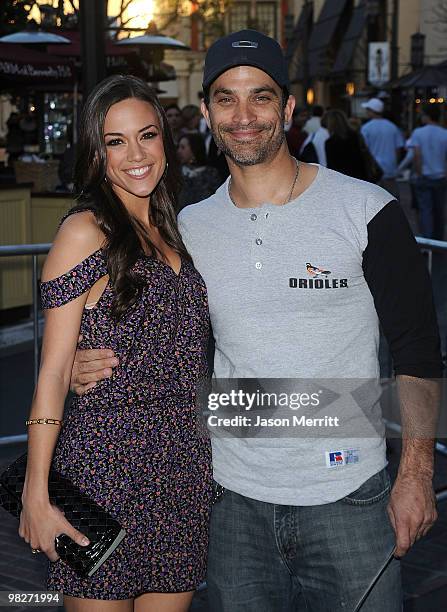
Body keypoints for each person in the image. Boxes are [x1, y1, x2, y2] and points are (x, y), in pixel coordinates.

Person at [70, 32, 442, 612]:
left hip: (349, 498)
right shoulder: (185, 230)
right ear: (206, 113)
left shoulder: (367, 210)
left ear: (288, 108)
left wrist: (416, 471)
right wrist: (82, 361)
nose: (244, 116)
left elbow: (418, 353)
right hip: (229, 502)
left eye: (260, 97)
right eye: (226, 99)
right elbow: (152, 337)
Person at [20, 75, 212, 612]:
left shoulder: (174, 229)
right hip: (101, 473)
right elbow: (54, 373)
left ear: (165, 142)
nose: (135, 154)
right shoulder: (86, 230)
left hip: (181, 474)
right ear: (96, 151)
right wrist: (37, 493)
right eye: (115, 140)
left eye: (147, 135)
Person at [410, 103, 447, 239]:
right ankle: (439, 239)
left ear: (426, 116)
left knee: (425, 210)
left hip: (424, 175)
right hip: (441, 176)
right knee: (439, 210)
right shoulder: (444, 133)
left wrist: (419, 173)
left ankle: (427, 239)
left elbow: (417, 155)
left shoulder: (418, 133)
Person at [360, 97, 405, 198]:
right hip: (390, 169)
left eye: (368, 110)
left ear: (372, 111)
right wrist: (395, 164)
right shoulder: (392, 127)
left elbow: (364, 150)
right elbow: (398, 149)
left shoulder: (366, 128)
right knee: (392, 199)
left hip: (374, 171)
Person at [177, 132, 222, 210]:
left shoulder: (211, 174)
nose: (179, 151)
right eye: (179, 147)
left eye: (183, 147)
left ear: (194, 149)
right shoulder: (177, 173)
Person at [322, 109, 368, 180]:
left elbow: (331, 166)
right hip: (359, 176)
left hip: (342, 179)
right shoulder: (355, 136)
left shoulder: (330, 142)